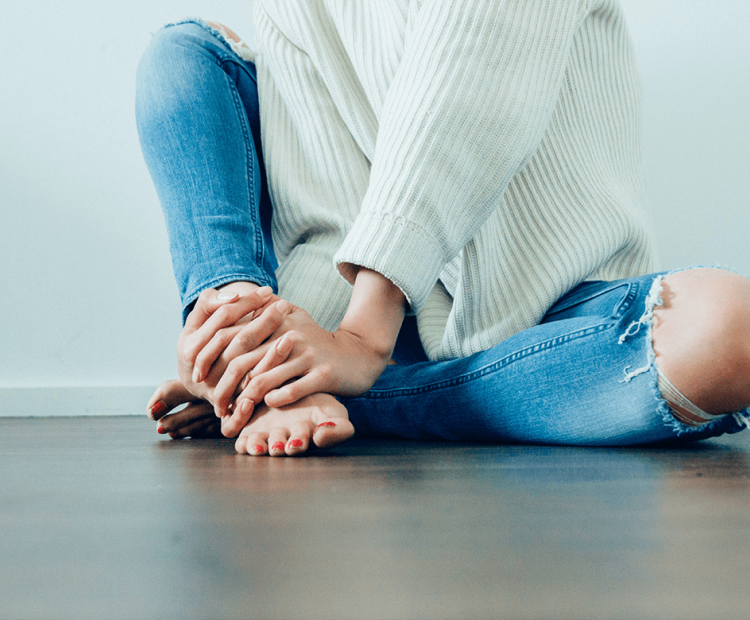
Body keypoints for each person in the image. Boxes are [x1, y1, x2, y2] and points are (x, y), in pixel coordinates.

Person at [135, 1, 750, 457]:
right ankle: (243, 347)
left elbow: (465, 100)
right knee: (183, 56)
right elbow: (325, 208)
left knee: (731, 328)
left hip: (554, 315)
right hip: (391, 316)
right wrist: (285, 359)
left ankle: (366, 400)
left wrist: (359, 343)